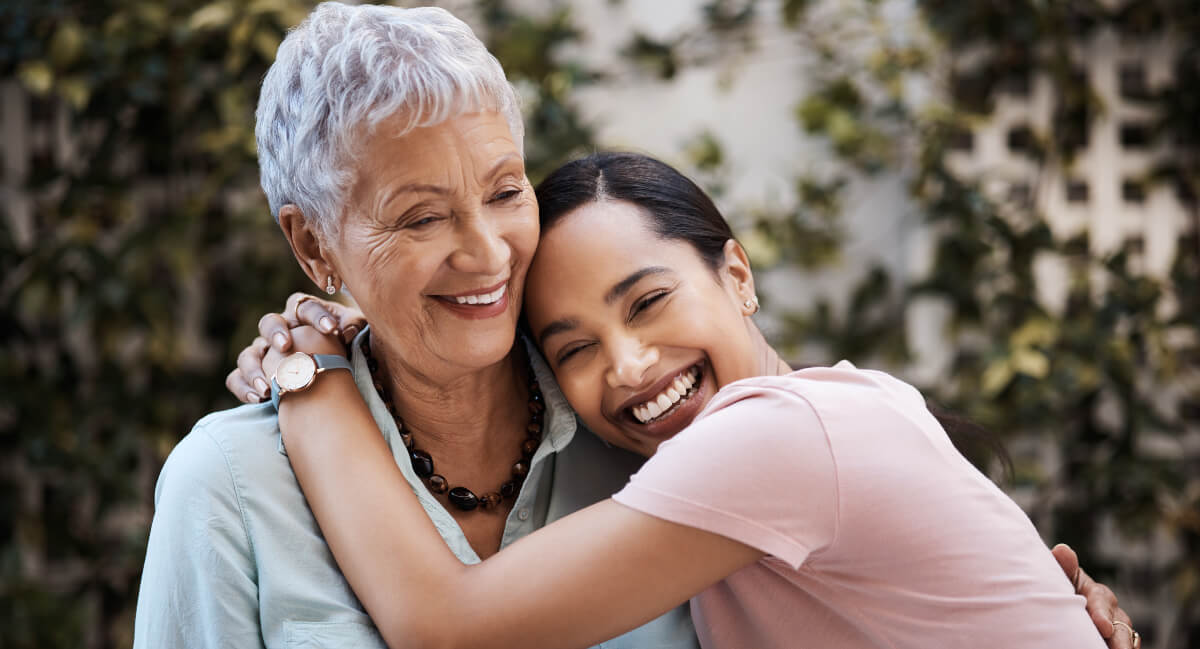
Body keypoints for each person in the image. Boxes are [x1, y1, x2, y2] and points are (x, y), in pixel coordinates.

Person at [236, 153, 1141, 649]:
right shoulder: (797, 434)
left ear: (736, 273)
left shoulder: (780, 438)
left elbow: (445, 627)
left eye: (648, 302)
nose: (629, 365)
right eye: (575, 349)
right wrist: (379, 323)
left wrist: (313, 376)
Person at [132, 5, 696, 648]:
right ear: (313, 245)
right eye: (422, 218)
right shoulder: (230, 486)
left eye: (505, 193)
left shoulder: (640, 418)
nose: (488, 255)